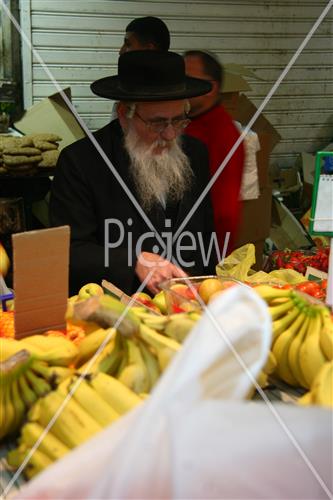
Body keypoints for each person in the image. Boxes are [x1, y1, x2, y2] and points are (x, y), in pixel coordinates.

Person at [50, 51, 217, 296]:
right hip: (117, 309)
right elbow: (67, 252)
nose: (170, 134)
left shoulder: (196, 153)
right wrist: (133, 261)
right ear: (124, 114)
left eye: (179, 120)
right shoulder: (81, 161)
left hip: (188, 304)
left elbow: (204, 236)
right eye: (157, 123)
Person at [184, 50, 245, 253]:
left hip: (201, 250)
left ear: (211, 87)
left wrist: (212, 259)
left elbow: (225, 211)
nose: (181, 86)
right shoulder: (189, 123)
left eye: (188, 79)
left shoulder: (223, 134)